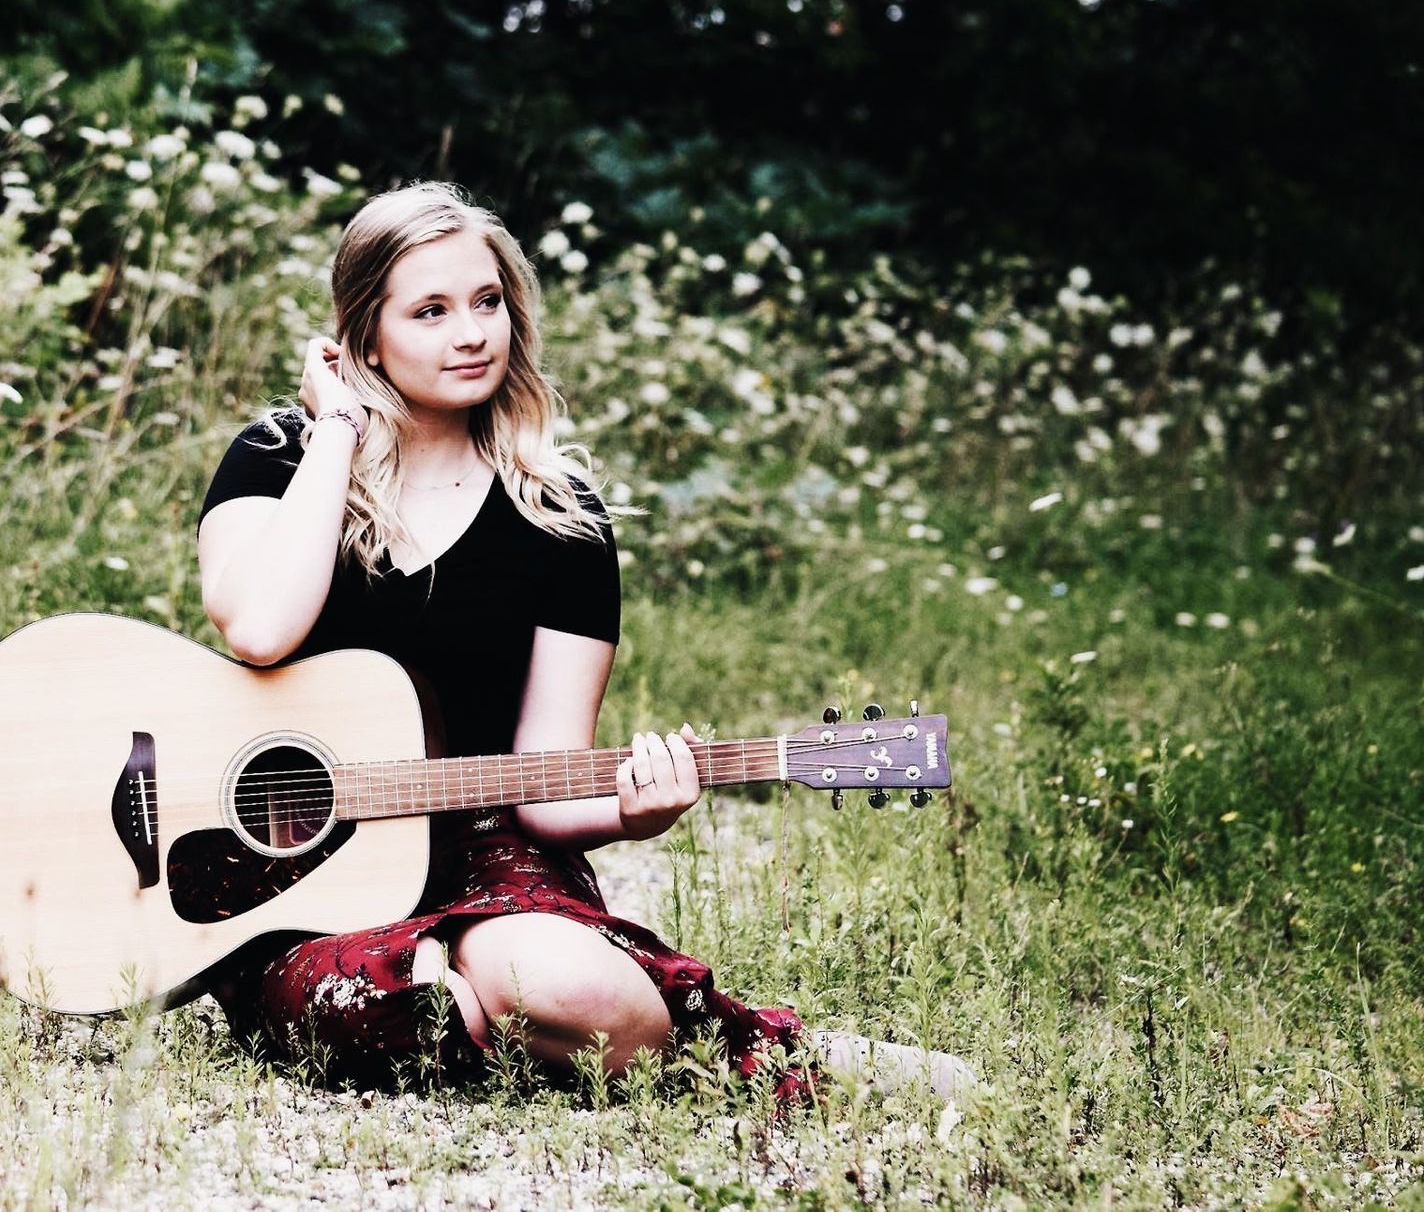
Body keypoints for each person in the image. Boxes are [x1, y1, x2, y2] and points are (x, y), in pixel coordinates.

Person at [195, 180, 973, 1103]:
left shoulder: (558, 514)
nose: (472, 332)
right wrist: (337, 427)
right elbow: (257, 627)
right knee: (413, 1006)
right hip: (295, 868)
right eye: (431, 311)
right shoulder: (281, 455)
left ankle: (743, 1045)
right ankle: (479, 1004)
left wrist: (639, 812)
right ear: (365, 336)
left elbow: (550, 781)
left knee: (579, 992)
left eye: (487, 303)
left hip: (485, 844)